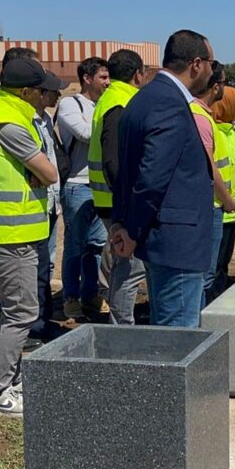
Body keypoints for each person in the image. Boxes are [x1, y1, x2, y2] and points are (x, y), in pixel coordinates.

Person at [0, 57, 62, 418]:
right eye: (41, 90)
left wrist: (37, 172)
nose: (47, 95)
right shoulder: (6, 121)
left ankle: (13, 379)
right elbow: (50, 173)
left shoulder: (10, 113)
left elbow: (43, 171)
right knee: (22, 312)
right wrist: (39, 172)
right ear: (25, 92)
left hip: (16, 229)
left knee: (19, 309)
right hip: (9, 232)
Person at [110, 30, 215, 328]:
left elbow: (126, 170)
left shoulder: (144, 98)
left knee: (167, 334)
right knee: (177, 337)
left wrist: (121, 221)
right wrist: (131, 230)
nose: (212, 71)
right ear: (196, 64)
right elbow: (151, 178)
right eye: (211, 63)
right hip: (176, 244)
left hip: (164, 240)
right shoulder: (169, 104)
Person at [91, 49, 148, 324]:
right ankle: (122, 329)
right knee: (131, 266)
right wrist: (128, 202)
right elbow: (114, 160)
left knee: (123, 263)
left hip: (109, 197)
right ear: (138, 74)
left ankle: (119, 321)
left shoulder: (111, 98)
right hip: (118, 201)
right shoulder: (121, 104)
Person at [55, 57, 110, 320]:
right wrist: (113, 125)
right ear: (87, 78)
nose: (108, 82)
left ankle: (91, 295)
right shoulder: (71, 104)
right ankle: (70, 297)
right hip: (77, 186)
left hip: (99, 186)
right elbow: (86, 134)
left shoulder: (103, 104)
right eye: (103, 77)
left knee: (96, 246)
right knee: (75, 247)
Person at [191, 62, 235, 305]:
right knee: (204, 276)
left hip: (214, 205)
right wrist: (227, 200)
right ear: (216, 86)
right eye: (224, 83)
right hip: (209, 206)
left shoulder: (205, 116)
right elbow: (211, 168)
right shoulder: (200, 118)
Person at [29, 76, 69, 342]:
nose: (58, 96)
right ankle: (32, 327)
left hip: (50, 203)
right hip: (35, 206)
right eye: (54, 92)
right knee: (32, 269)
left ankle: (43, 321)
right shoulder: (28, 121)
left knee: (45, 266)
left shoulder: (45, 120)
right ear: (40, 93)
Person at [210, 85, 235, 297]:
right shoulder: (214, 132)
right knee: (214, 267)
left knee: (223, 262)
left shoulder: (230, 132)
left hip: (232, 210)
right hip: (220, 209)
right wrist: (226, 199)